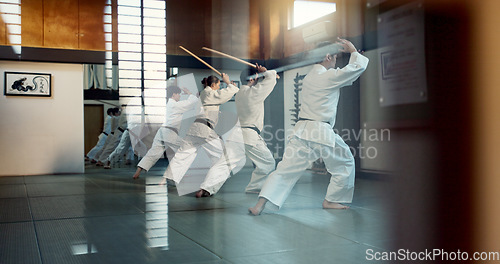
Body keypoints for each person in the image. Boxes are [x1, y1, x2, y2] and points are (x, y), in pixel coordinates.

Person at [249, 37, 369, 215]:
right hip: (320, 131)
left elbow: (345, 76)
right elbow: (355, 69)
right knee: (344, 162)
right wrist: (352, 51)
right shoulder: (327, 77)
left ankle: (259, 205)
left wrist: (354, 56)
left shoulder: (311, 77)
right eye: (335, 57)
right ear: (328, 56)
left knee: (284, 170)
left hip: (301, 131)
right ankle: (331, 200)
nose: (335, 60)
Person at [197, 64, 277, 196]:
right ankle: (254, 187)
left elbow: (266, 82)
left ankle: (206, 188)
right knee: (268, 163)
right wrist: (266, 72)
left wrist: (263, 74)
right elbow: (269, 81)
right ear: (253, 79)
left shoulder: (240, 93)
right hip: (250, 136)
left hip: (237, 134)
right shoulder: (254, 92)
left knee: (225, 163)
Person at [161, 73, 239, 190]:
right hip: (204, 130)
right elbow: (224, 95)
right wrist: (228, 83)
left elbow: (216, 102)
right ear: (213, 85)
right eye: (218, 85)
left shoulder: (203, 94)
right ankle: (214, 180)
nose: (219, 87)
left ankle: (169, 178)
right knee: (221, 155)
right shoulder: (209, 93)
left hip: (195, 128)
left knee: (184, 154)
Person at [132, 85, 199, 179]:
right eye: (178, 94)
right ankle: (177, 173)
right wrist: (190, 94)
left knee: (153, 152)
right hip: (169, 132)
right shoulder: (175, 105)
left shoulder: (170, 104)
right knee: (185, 149)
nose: (179, 96)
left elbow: (187, 105)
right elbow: (189, 103)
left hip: (162, 131)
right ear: (174, 94)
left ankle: (138, 171)